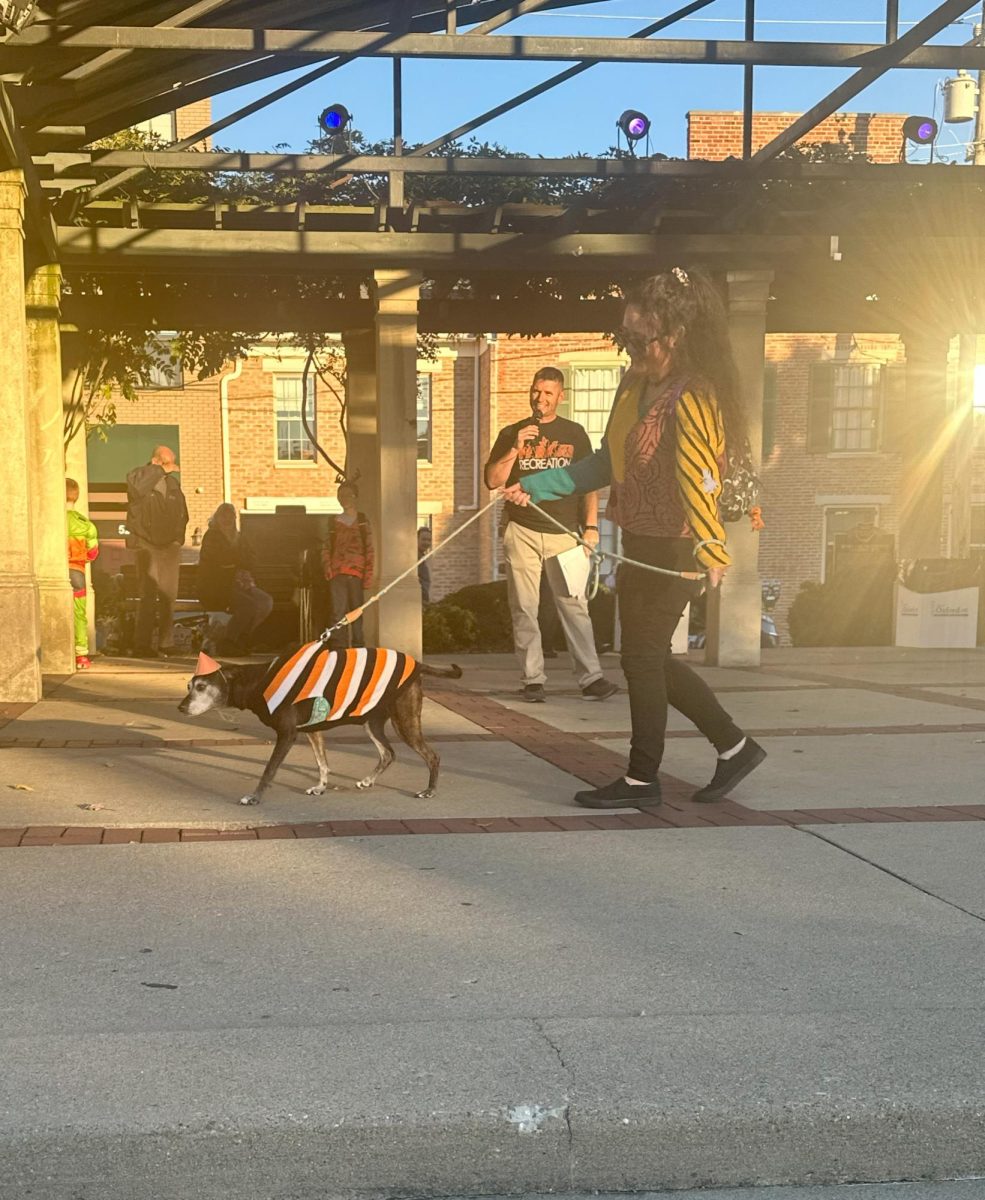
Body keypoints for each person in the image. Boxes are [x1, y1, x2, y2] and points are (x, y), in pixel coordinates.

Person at [504, 269, 765, 806]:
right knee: (647, 657)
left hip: (679, 546)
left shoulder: (694, 394)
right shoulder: (632, 385)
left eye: (636, 338)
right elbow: (606, 463)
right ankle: (734, 747)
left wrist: (712, 550)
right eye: (623, 336)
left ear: (674, 334)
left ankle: (643, 779)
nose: (628, 347)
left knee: (642, 658)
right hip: (639, 543)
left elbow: (699, 476)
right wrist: (533, 483)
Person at [485, 366, 618, 703]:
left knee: (574, 605)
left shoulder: (574, 434)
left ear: (561, 396)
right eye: (536, 391)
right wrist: (515, 447)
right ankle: (533, 679)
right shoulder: (511, 432)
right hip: (522, 529)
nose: (540, 398)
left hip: (564, 532)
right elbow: (492, 480)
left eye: (548, 393)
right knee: (525, 607)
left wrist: (591, 527)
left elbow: (590, 484)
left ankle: (591, 678)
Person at [126, 445, 189, 658]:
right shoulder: (138, 477)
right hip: (147, 544)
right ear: (155, 461)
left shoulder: (173, 485)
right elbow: (137, 490)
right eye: (167, 462)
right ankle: (142, 645)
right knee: (148, 595)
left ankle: (166, 642)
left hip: (169, 546)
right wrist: (159, 470)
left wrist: (178, 539)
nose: (172, 467)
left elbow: (183, 512)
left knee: (168, 596)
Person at [197, 503, 273, 655]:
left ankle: (243, 638)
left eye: (231, 515)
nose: (227, 519)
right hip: (216, 587)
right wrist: (236, 562)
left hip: (238, 583)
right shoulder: (212, 536)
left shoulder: (239, 537)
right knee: (249, 606)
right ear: (217, 518)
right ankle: (228, 642)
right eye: (223, 515)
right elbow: (219, 560)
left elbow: (250, 559)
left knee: (265, 602)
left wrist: (236, 563)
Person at [322, 482, 374, 648]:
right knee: (337, 612)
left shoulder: (362, 521)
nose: (344, 499)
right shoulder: (333, 522)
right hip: (337, 573)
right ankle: (339, 646)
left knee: (357, 611)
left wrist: (368, 575)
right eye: (340, 495)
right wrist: (327, 568)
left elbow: (369, 548)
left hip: (357, 573)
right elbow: (326, 547)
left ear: (355, 497)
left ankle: (358, 646)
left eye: (348, 495)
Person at [66, 478, 99, 670]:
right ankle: (81, 655)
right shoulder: (86, 524)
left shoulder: (52, 522)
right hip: (77, 572)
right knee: (79, 613)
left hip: (57, 571)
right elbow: (93, 553)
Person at [417, 526, 432, 604]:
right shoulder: (415, 557)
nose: (427, 543)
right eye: (423, 539)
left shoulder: (421, 556)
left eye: (429, 540)